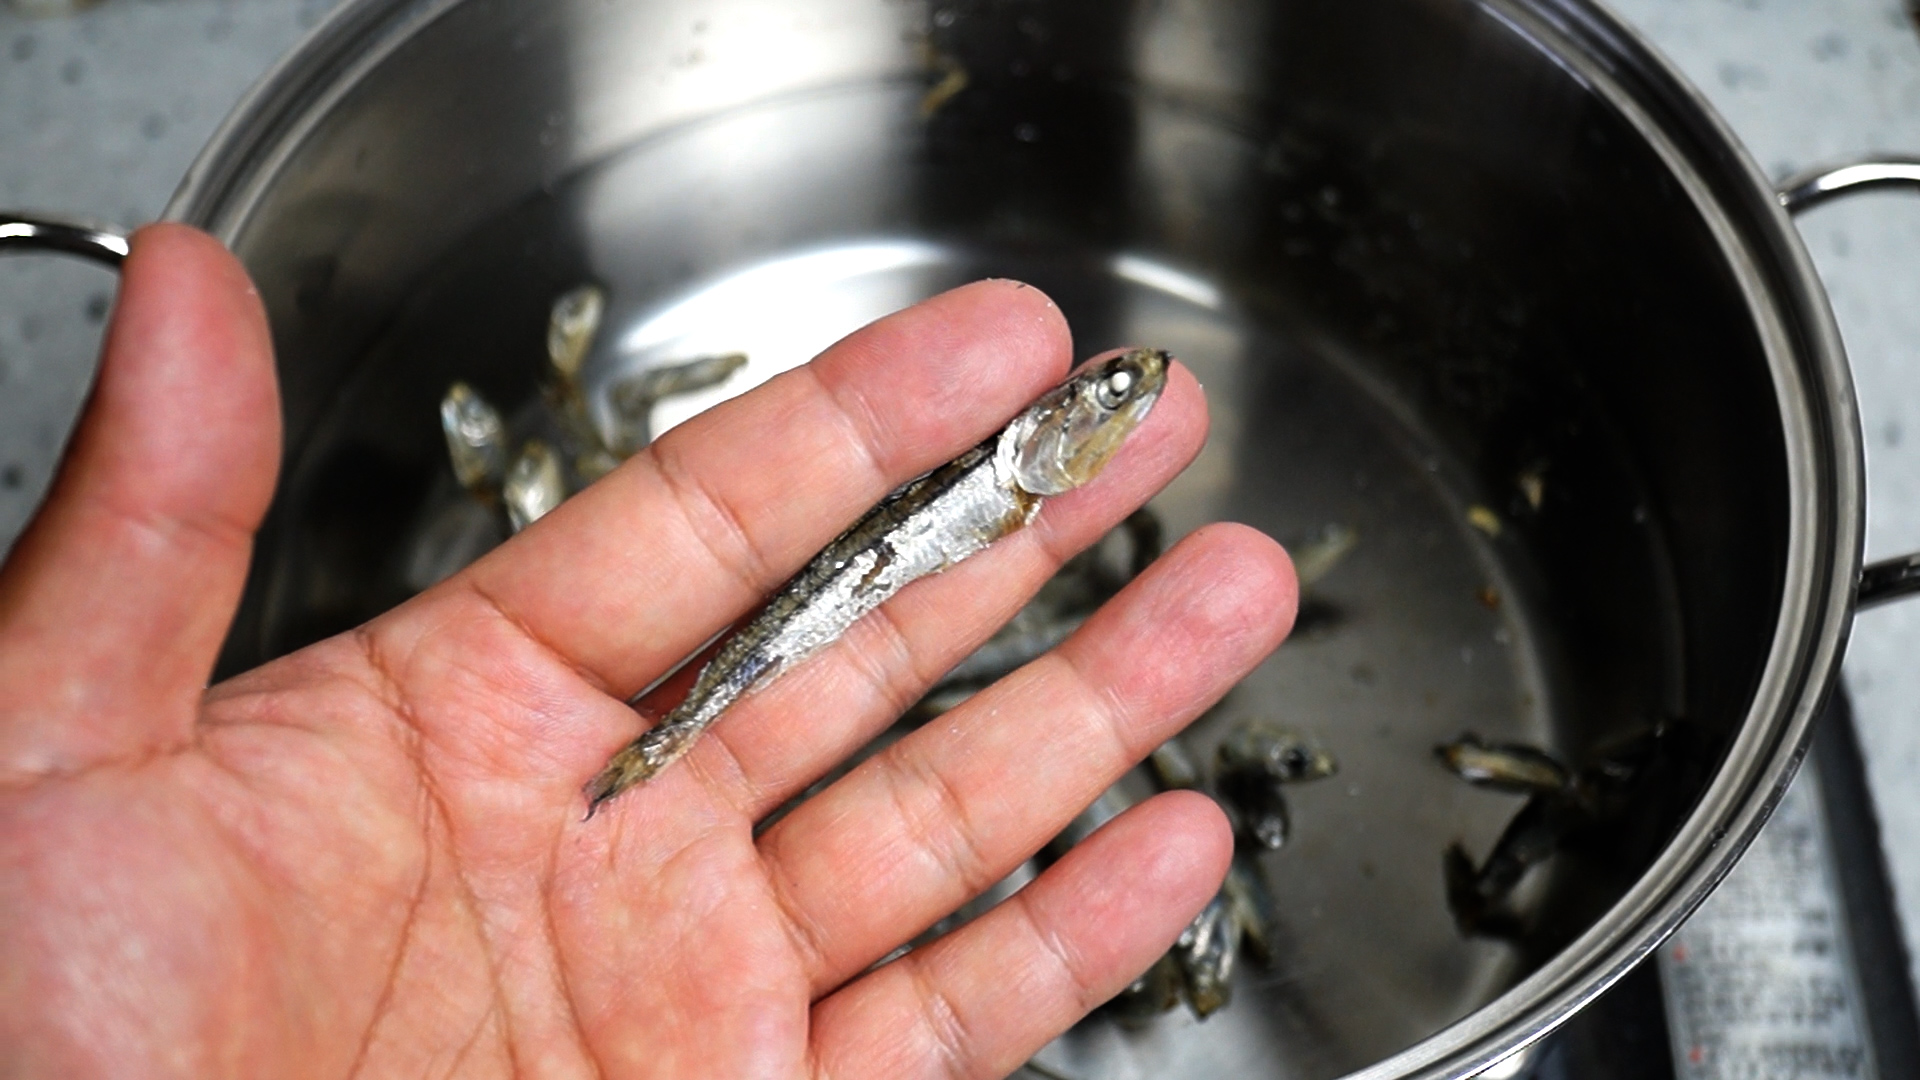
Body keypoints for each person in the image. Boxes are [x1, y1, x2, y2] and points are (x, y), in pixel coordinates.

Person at [0, 225, 1297, 1077]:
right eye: (1106, 399)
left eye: (1112, 403)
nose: (1116, 402)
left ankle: (667, 741)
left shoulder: (1015, 482)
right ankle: (665, 743)